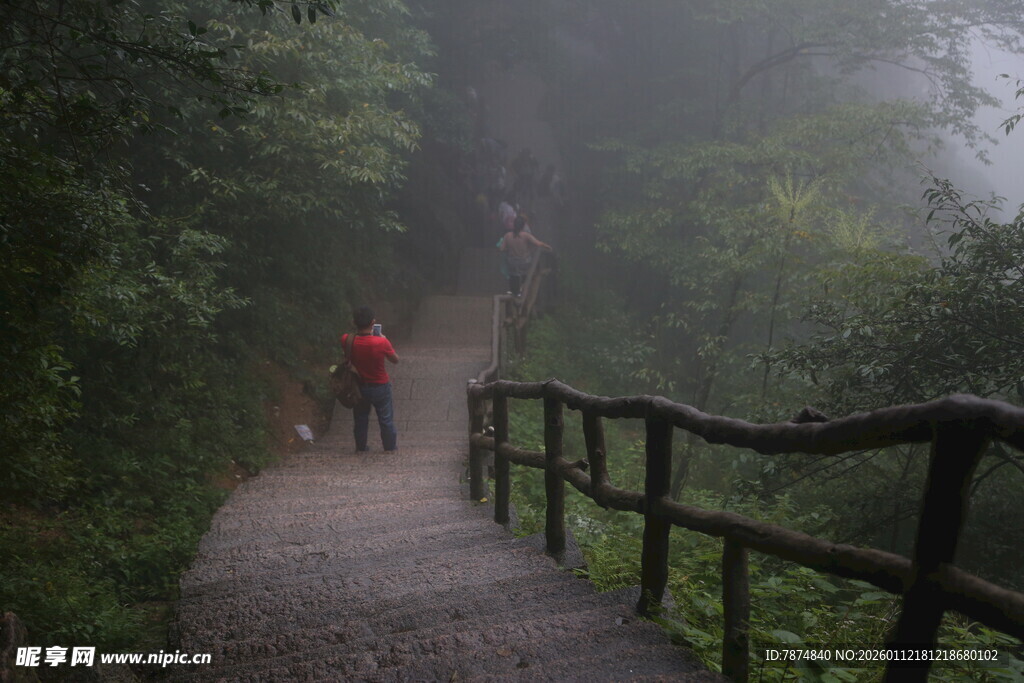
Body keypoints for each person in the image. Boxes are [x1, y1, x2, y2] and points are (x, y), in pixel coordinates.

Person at [340, 306, 399, 452]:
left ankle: (361, 447)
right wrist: (384, 339)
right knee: (385, 419)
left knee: (360, 418)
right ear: (373, 322)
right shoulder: (381, 342)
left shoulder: (346, 340)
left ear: (354, 322)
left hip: (358, 386)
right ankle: (389, 447)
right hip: (380, 386)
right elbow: (395, 360)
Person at [499, 215, 551, 296]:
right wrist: (548, 246)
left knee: (513, 276)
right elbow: (538, 243)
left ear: (514, 225)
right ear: (523, 226)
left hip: (512, 264)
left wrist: (510, 248)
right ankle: (524, 289)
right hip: (525, 264)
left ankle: (515, 293)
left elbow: (501, 249)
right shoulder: (526, 235)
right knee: (527, 274)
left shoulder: (507, 235)